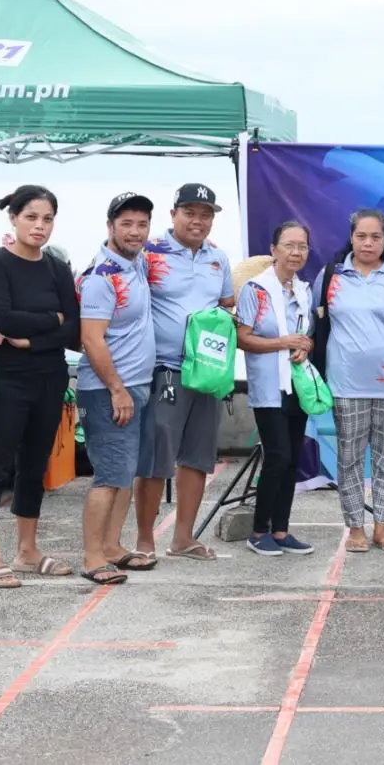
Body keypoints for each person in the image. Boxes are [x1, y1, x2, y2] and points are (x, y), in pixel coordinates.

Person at [0, 185, 81, 588]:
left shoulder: (56, 266)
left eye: (47, 218)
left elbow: (73, 328)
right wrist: (49, 318)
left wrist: (35, 337)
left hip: (50, 375)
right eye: (31, 217)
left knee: (35, 465)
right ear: (13, 218)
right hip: (7, 378)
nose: (40, 226)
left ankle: (27, 551)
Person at [312, 208, 384, 553]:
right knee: (348, 458)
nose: (368, 242)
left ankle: (382, 527)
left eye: (375, 236)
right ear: (351, 237)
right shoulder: (331, 276)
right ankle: (355, 529)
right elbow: (311, 321)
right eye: (361, 236)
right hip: (345, 384)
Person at [136, 183, 238, 561]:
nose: (198, 221)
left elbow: (226, 305)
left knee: (197, 457)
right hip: (165, 370)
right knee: (154, 458)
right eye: (190, 212)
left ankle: (183, 538)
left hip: (207, 373)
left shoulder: (218, 258)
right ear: (173, 214)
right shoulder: (149, 252)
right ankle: (144, 540)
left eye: (206, 214)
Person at [76, 193, 157, 586]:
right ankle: (93, 557)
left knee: (125, 472)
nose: (135, 232)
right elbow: (91, 340)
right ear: (110, 227)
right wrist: (117, 389)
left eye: (142, 224)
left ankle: (112, 546)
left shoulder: (136, 264)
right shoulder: (101, 277)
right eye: (126, 224)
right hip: (109, 391)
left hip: (137, 386)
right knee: (108, 475)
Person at [236, 221, 317, 557]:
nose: (296, 252)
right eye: (289, 245)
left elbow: (305, 333)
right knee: (277, 456)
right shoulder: (255, 289)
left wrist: (304, 346)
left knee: (292, 459)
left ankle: (281, 530)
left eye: (302, 246)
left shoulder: (303, 290)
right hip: (269, 386)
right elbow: (242, 337)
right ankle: (258, 531)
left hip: (296, 386)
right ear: (273, 249)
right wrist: (283, 343)